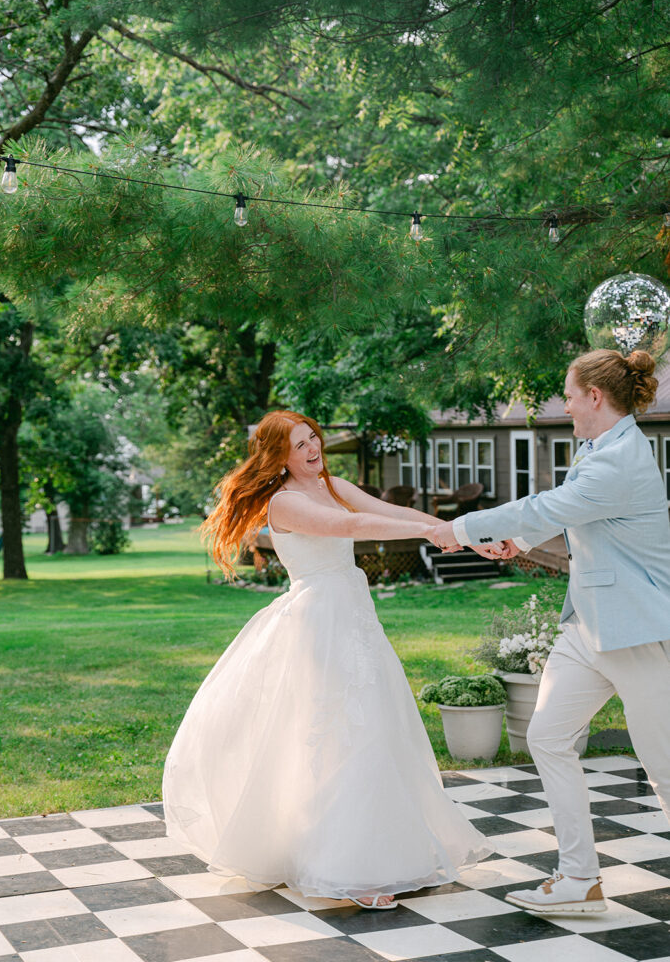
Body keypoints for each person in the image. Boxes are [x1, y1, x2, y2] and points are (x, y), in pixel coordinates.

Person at [163, 410, 491, 909]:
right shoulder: (285, 503)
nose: (312, 449)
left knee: (376, 728)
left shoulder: (330, 484)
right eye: (299, 445)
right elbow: (353, 525)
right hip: (320, 624)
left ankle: (383, 855)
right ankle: (348, 871)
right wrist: (432, 536)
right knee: (339, 736)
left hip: (354, 618)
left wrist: (457, 530)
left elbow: (387, 510)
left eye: (313, 437)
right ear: (279, 457)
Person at [432, 348, 670, 914]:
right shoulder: (600, 448)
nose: (562, 404)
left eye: (567, 393)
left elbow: (546, 505)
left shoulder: (621, 458)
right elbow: (580, 524)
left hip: (636, 631)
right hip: (587, 627)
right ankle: (578, 880)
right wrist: (520, 542)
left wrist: (460, 528)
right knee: (546, 738)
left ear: (594, 396)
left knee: (664, 766)